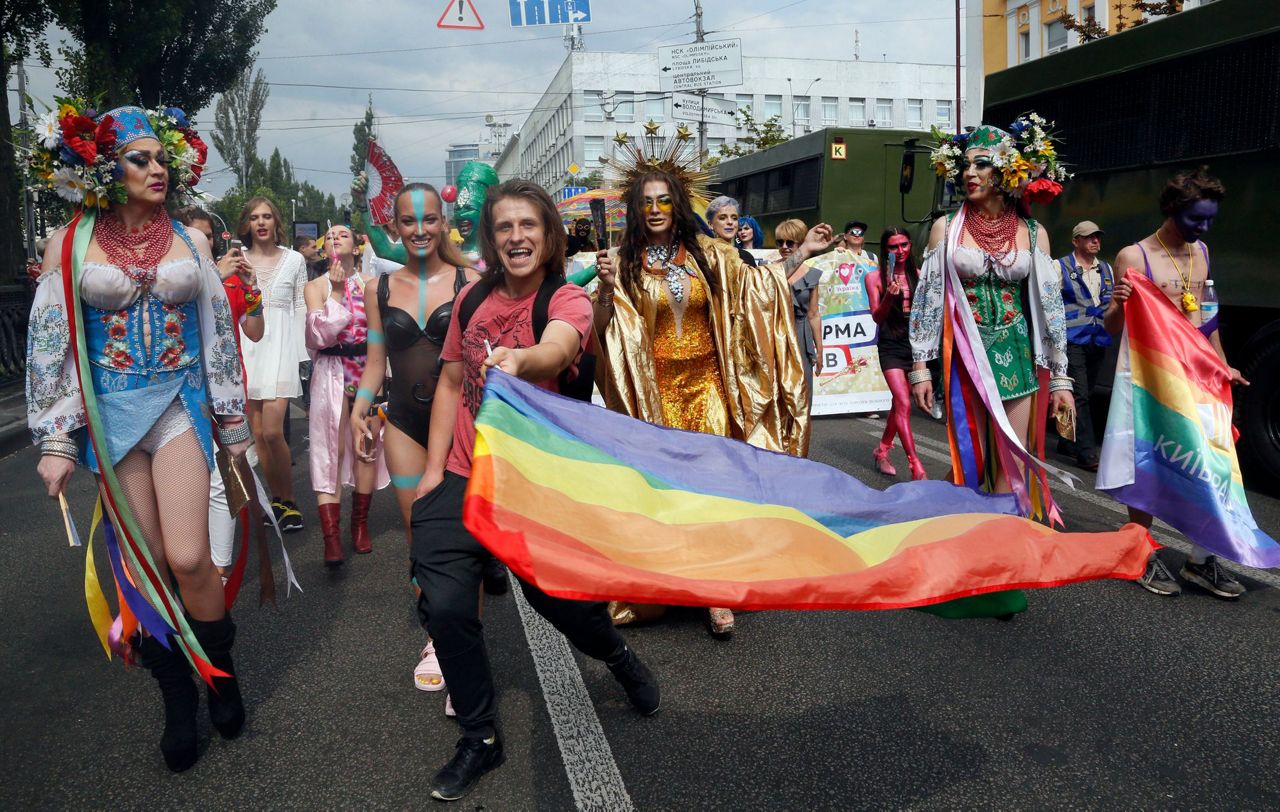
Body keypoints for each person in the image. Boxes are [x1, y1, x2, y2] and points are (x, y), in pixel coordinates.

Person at [410, 179, 660, 801]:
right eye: (504, 228)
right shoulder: (470, 301)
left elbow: (558, 349)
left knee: (563, 606)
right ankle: (480, 738)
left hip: (535, 482)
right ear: (491, 239)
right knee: (444, 605)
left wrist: (519, 362)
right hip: (465, 473)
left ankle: (617, 656)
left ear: (548, 236)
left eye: (528, 226)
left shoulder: (567, 298)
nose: (516, 237)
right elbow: (448, 385)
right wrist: (434, 472)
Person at [27, 104, 248, 772]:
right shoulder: (70, 242)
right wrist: (57, 442)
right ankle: (176, 696)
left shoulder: (191, 238)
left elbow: (216, 328)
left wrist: (233, 423)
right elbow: (49, 339)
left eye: (162, 158)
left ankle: (220, 670)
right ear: (102, 168)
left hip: (178, 405)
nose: (159, 169)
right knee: (145, 566)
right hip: (112, 417)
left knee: (186, 556)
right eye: (141, 159)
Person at [593, 136, 827, 634]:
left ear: (677, 206)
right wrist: (608, 290)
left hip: (710, 388)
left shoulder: (709, 255)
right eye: (646, 202)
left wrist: (801, 252)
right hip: (656, 397)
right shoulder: (625, 262)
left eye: (663, 200)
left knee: (715, 491)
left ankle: (717, 591)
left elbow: (757, 287)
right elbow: (606, 332)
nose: (655, 210)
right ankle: (673, 581)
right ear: (636, 210)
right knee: (666, 493)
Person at [350, 182, 484, 692]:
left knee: (459, 540)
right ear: (394, 227)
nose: (420, 230)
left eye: (430, 220)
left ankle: (463, 646)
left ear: (443, 222)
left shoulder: (472, 282)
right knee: (422, 540)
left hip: (461, 428)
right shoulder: (378, 289)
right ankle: (438, 635)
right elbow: (376, 365)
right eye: (409, 221)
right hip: (404, 424)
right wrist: (360, 413)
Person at [911, 117, 1073, 509]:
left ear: (1007, 170)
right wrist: (920, 365)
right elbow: (929, 300)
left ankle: (1003, 550)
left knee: (1013, 465)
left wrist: (1061, 379)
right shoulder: (945, 229)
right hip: (965, 359)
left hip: (1018, 359)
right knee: (971, 463)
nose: (970, 173)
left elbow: (1052, 310)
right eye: (965, 165)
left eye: (981, 164)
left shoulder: (1033, 233)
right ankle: (969, 543)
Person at [1106, 167, 1248, 599]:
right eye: (1195, 219)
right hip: (1149, 379)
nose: (1202, 228)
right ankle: (1139, 553)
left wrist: (1223, 364)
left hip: (1198, 376)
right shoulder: (1134, 256)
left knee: (1211, 462)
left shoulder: (1201, 251)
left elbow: (1206, 315)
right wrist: (1115, 305)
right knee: (1147, 462)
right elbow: (1114, 328)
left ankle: (1201, 561)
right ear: (1172, 210)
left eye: (1208, 220)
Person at [179, 208, 264, 576]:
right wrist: (212, 275)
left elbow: (256, 332)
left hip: (225, 396)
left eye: (209, 236)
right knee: (187, 481)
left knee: (221, 479)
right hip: (180, 395)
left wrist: (253, 288)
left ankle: (220, 567)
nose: (205, 242)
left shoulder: (231, 281)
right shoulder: (172, 282)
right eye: (195, 235)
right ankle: (185, 559)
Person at [304, 224, 389, 566]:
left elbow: (382, 335)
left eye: (343, 235)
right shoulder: (315, 287)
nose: (335, 238)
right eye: (330, 236)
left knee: (367, 447)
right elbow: (318, 336)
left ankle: (359, 525)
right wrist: (336, 294)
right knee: (330, 449)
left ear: (357, 247)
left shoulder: (373, 285)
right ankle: (331, 537)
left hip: (366, 368)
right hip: (330, 372)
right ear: (325, 250)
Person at [238, 197, 308, 531]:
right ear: (247, 224)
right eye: (254, 217)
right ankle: (275, 500)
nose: (261, 222)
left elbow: (301, 307)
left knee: (272, 430)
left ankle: (290, 500)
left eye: (267, 216)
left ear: (275, 221)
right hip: (247, 348)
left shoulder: (294, 260)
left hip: (281, 349)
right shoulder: (238, 262)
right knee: (258, 436)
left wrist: (301, 355)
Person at [866, 227, 926, 480]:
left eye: (903, 245)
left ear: (910, 245)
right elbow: (877, 318)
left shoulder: (920, 276)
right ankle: (916, 466)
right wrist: (889, 297)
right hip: (890, 344)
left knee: (899, 405)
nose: (899, 251)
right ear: (885, 249)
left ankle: (881, 451)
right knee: (902, 402)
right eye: (893, 247)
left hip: (914, 346)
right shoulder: (874, 278)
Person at [1055, 221, 1113, 471]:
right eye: (1089, 237)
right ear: (1076, 241)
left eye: (1097, 237)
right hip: (1071, 338)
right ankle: (1087, 452)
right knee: (1079, 394)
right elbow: (1050, 301)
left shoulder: (1106, 269)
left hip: (1097, 338)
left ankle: (1066, 439)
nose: (1095, 241)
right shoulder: (1061, 267)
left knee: (1086, 392)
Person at [777, 218, 823, 402]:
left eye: (790, 242)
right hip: (776, 333)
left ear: (802, 242)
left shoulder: (812, 274)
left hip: (801, 337)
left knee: (802, 391)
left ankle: (800, 430)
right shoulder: (770, 269)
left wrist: (819, 349)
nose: (785, 247)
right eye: (780, 242)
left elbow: (813, 314)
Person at [705, 195, 758, 267]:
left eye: (734, 218)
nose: (730, 222)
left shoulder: (746, 257)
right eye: (722, 218)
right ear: (711, 224)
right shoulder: (702, 256)